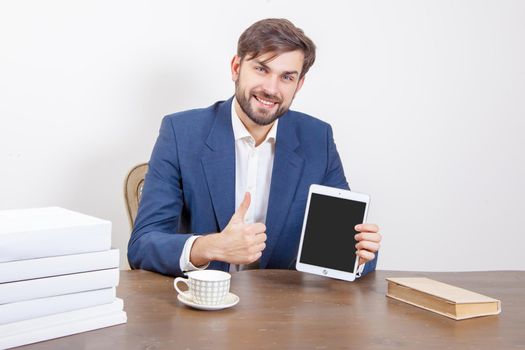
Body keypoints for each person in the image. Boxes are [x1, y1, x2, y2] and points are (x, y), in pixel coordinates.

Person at [128, 18, 381, 278]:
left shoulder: (318, 139)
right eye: (261, 69)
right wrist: (210, 246)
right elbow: (142, 246)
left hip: (284, 309)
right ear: (236, 68)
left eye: (286, 77)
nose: (271, 89)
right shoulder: (181, 133)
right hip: (202, 303)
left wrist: (358, 256)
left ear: (299, 84)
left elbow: (344, 246)